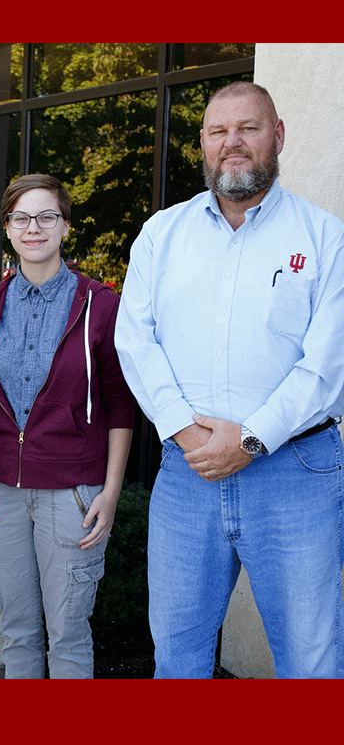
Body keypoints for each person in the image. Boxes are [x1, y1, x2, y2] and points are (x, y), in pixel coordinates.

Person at [115, 81, 344, 679]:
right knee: (178, 656)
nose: (233, 143)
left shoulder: (325, 239)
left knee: (312, 661)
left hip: (295, 474)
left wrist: (249, 439)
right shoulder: (162, 235)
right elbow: (136, 342)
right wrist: (187, 432)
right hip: (186, 476)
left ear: (278, 135)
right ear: (203, 144)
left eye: (248, 128)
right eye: (219, 132)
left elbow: (328, 363)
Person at [0, 174, 135, 678]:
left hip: (72, 494)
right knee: (16, 630)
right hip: (0, 493)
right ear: (8, 229)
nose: (33, 227)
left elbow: (121, 405)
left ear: (64, 227)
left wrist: (111, 490)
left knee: (68, 634)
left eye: (46, 217)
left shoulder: (99, 305)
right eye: (21, 217)